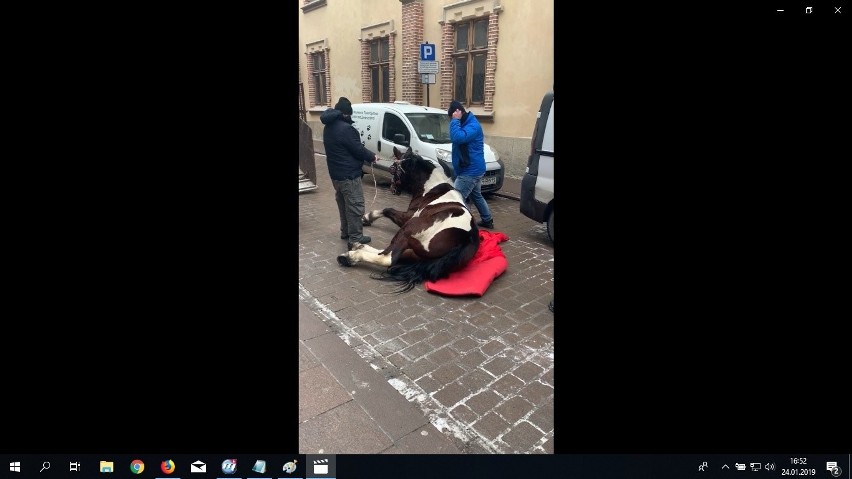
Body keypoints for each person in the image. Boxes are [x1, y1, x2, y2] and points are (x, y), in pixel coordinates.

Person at [321, 97, 380, 249]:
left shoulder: (328, 126)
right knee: (355, 205)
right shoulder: (346, 129)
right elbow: (358, 149)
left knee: (343, 203)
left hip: (336, 175)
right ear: (346, 114)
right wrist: (372, 156)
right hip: (349, 175)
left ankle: (346, 231)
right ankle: (355, 238)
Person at [448, 100, 494, 229]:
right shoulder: (464, 123)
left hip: (470, 171)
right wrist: (456, 121)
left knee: (456, 197)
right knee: (476, 195)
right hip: (470, 168)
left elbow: (457, 138)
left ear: (459, 113)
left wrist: (455, 121)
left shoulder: (473, 126)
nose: (452, 120)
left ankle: (462, 225)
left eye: (453, 116)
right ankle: (487, 219)